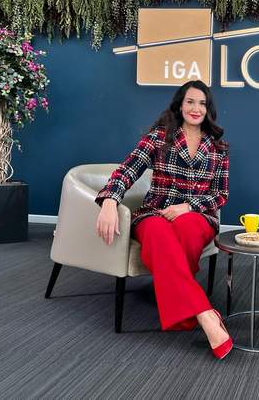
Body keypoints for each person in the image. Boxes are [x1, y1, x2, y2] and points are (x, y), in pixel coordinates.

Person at [95, 80, 232, 359]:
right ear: (180, 105)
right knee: (157, 231)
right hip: (154, 212)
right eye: (190, 102)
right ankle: (204, 314)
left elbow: (221, 195)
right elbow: (128, 169)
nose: (196, 108)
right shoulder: (159, 136)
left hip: (197, 215)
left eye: (202, 103)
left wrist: (189, 206)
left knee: (187, 227)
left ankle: (184, 309)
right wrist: (110, 200)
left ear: (208, 109)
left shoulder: (218, 147)